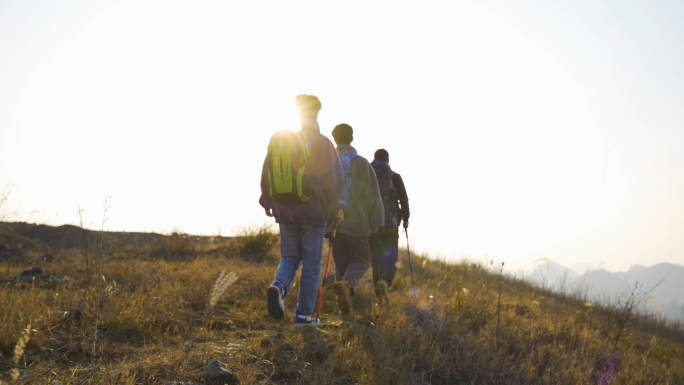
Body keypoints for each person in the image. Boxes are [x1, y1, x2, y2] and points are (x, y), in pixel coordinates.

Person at [259, 94, 345, 327]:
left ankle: (278, 287)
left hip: (284, 210)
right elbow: (333, 181)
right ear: (317, 112)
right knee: (311, 263)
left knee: (289, 257)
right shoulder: (322, 142)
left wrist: (267, 201)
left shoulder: (281, 140)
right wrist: (337, 206)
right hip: (313, 212)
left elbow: (267, 172)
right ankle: (304, 316)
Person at [329, 124, 384, 315]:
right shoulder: (360, 163)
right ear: (352, 138)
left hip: (333, 224)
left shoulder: (328, 161)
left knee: (342, 264)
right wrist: (376, 220)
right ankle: (347, 285)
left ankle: (344, 308)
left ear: (334, 139)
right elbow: (373, 194)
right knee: (362, 260)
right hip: (357, 223)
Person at [369, 148, 410, 303]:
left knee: (376, 262)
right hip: (390, 225)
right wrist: (406, 219)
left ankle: (380, 296)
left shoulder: (368, 175)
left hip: (372, 225)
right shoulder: (395, 177)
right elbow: (404, 200)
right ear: (388, 161)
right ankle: (385, 283)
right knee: (392, 259)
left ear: (373, 159)